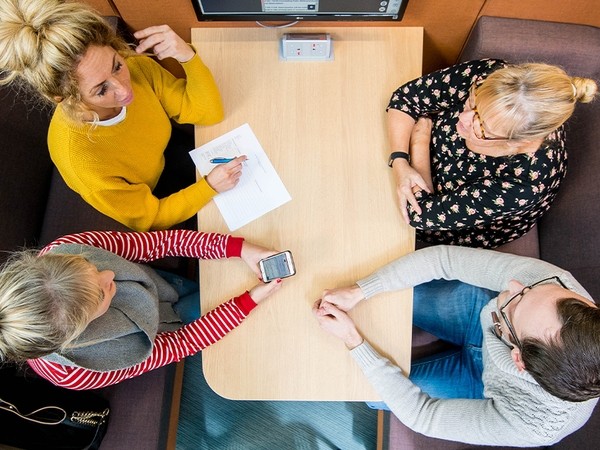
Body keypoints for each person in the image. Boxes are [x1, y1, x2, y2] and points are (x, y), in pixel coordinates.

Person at [312, 245, 600, 447]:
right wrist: (363, 289)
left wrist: (354, 341)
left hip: (482, 387)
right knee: (392, 292)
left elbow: (423, 416)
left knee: (372, 394)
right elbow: (444, 260)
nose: (513, 284)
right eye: (531, 289)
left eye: (517, 302)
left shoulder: (536, 426)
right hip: (477, 317)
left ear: (519, 359)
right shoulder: (558, 288)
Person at [0, 0, 244, 231]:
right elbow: (153, 218)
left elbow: (207, 113)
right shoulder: (82, 162)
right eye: (101, 89)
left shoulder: (136, 67)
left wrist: (187, 57)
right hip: (154, 195)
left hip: (165, 155)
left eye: (117, 66)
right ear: (64, 98)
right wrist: (209, 187)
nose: (124, 89)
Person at [0, 229, 284, 390]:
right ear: (79, 333)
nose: (110, 274)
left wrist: (239, 248)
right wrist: (247, 302)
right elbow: (181, 343)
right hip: (167, 329)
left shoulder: (64, 249)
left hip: (158, 285)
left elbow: (160, 243)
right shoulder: (77, 373)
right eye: (101, 294)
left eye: (91, 265)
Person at [387, 59, 597, 248]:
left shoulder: (524, 184)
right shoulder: (490, 77)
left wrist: (419, 143)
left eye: (481, 125)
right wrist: (399, 160)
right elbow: (405, 98)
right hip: (415, 172)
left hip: (458, 221)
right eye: (472, 103)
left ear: (518, 143)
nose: (463, 118)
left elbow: (420, 216)